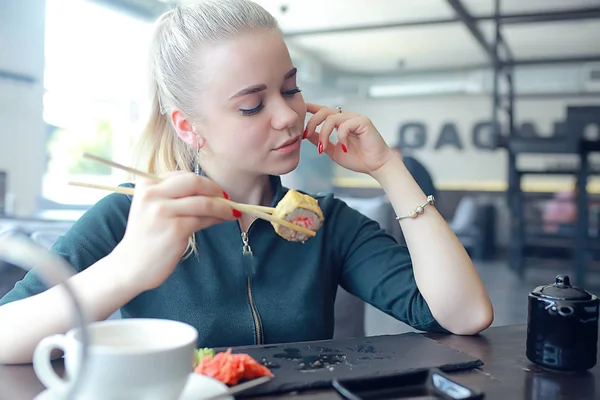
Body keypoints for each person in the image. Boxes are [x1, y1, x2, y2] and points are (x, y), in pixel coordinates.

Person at [0, 0, 493, 364]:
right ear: (188, 126)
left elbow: (464, 315)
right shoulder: (132, 215)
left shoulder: (324, 222)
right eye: (252, 105)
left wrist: (388, 167)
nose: (288, 116)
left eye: (291, 88)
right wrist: (129, 268)